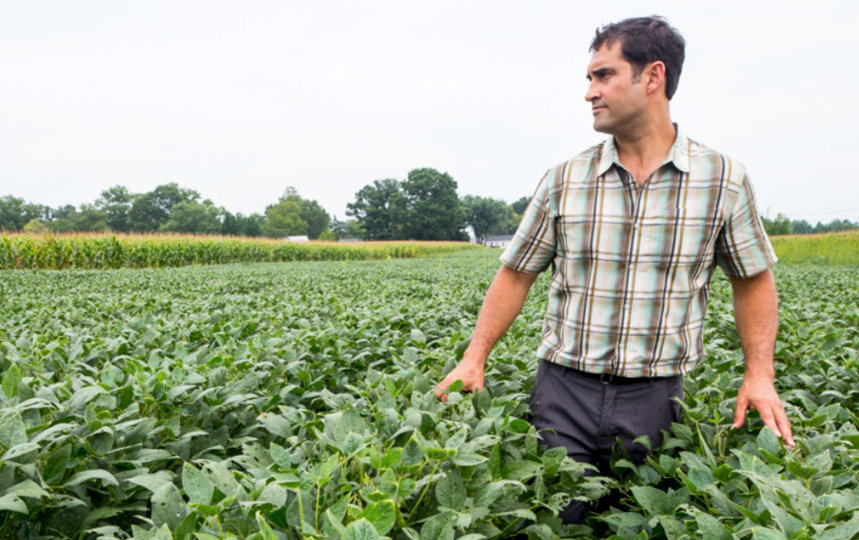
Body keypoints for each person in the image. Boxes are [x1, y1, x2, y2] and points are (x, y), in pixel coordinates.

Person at [434, 15, 794, 524]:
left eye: (603, 76)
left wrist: (760, 374)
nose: (589, 92)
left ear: (652, 77)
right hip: (563, 393)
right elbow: (516, 273)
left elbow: (752, 278)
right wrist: (474, 357)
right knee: (558, 523)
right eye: (589, 78)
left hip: (656, 397)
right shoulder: (565, 179)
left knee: (638, 522)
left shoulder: (722, 180)